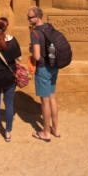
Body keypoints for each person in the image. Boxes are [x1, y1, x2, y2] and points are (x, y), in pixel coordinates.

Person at [27, 7, 58, 141]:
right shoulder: (50, 27)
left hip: (43, 68)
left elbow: (37, 56)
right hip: (54, 66)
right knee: (52, 97)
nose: (28, 20)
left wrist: (31, 51)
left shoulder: (35, 33)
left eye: (30, 17)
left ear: (37, 17)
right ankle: (56, 129)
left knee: (44, 101)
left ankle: (46, 132)